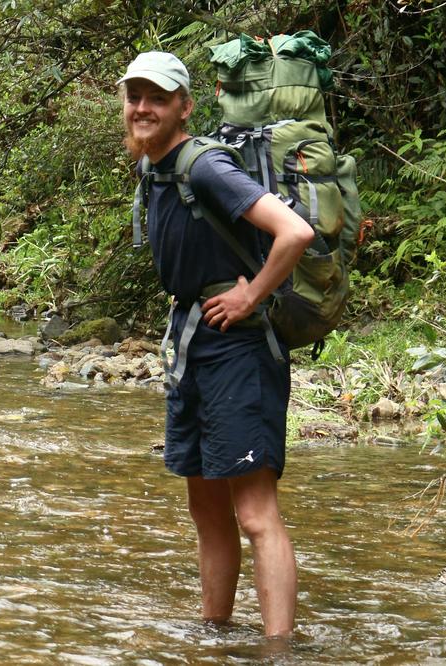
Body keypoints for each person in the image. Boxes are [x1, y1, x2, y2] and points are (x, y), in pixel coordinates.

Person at [117, 51, 314, 638]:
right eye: (135, 97)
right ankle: (215, 634)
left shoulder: (204, 167)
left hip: (239, 352)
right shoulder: (154, 169)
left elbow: (294, 231)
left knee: (255, 514)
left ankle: (279, 649)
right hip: (194, 349)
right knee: (205, 511)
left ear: (185, 106)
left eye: (157, 97)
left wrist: (250, 295)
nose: (143, 107)